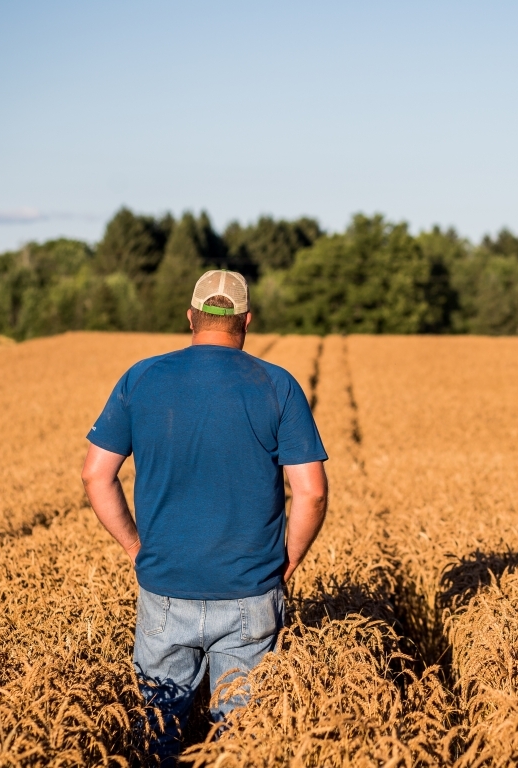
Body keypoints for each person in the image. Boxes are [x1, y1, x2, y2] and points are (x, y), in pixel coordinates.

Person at [80, 269, 328, 764]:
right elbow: (312, 493)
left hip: (164, 588)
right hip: (250, 592)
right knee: (243, 741)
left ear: (191, 316)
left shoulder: (141, 377)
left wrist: (135, 548)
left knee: (157, 736)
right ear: (247, 320)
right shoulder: (277, 385)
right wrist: (288, 562)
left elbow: (95, 475)